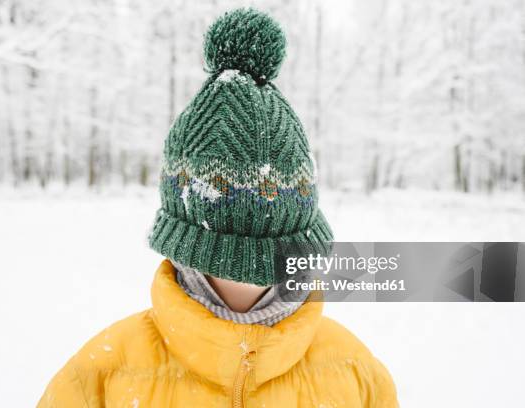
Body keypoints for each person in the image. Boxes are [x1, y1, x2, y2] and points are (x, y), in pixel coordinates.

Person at [38, 8, 398, 407]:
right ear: (191, 246)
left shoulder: (355, 374)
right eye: (231, 260)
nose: (251, 278)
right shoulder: (103, 376)